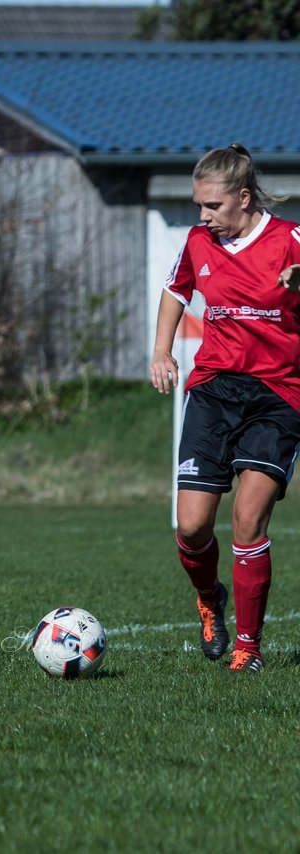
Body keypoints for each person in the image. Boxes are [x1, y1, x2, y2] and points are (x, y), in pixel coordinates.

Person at [150, 143, 300, 673]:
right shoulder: (197, 241)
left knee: (247, 520)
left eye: (212, 206)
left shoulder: (290, 241)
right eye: (198, 206)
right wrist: (162, 349)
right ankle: (210, 598)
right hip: (214, 390)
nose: (203, 217)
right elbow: (176, 290)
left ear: (242, 197)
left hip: (279, 395)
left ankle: (249, 649)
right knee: (191, 528)